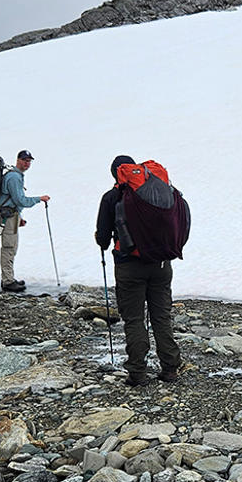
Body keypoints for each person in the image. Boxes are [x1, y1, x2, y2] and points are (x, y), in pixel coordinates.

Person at [95, 155, 183, 386]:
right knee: (161, 317)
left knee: (134, 319)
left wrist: (102, 238)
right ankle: (170, 369)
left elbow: (103, 239)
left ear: (116, 173)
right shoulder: (159, 192)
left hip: (129, 266)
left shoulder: (111, 197)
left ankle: (137, 373)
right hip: (161, 265)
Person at [0, 149, 49, 293]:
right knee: (8, 247)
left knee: (11, 246)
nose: (27, 163)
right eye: (25, 160)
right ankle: (7, 281)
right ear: (18, 160)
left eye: (29, 161)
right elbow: (20, 200)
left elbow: (16, 201)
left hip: (11, 215)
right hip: (8, 216)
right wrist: (39, 199)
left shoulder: (16, 175)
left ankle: (9, 278)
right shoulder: (14, 177)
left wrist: (19, 217)